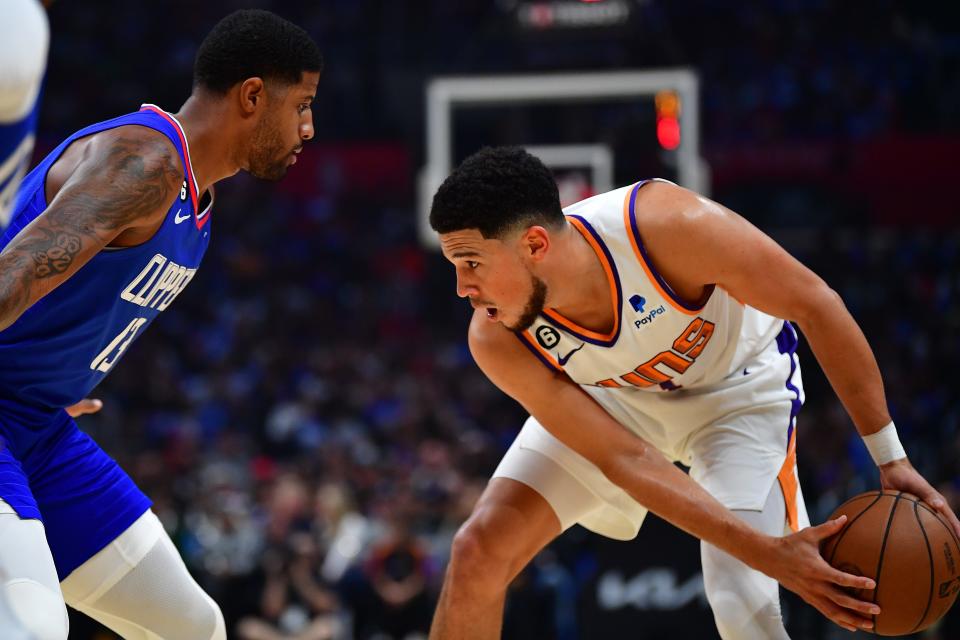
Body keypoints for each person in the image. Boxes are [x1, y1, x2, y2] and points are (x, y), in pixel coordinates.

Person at [427, 146, 960, 639]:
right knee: (478, 549)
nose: (460, 288)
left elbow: (816, 304)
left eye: (471, 262)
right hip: (619, 404)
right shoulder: (496, 337)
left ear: (535, 244)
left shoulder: (664, 226)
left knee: (737, 596)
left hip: (739, 393)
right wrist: (768, 553)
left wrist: (889, 458)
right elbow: (625, 458)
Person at [0, 9, 322, 639]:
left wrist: (52, 377)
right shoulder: (145, 161)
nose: (309, 127)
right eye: (303, 104)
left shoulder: (196, 195)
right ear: (254, 95)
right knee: (31, 625)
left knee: (192, 627)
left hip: (36, 428)